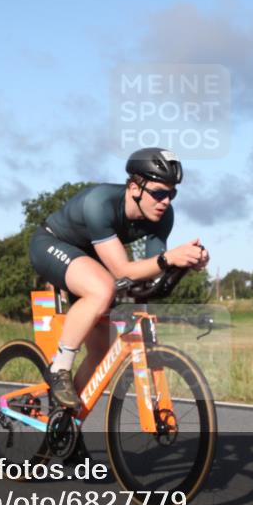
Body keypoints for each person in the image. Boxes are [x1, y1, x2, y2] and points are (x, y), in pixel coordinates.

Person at [28, 147, 210, 410]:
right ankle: (59, 368)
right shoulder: (100, 203)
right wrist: (169, 259)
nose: (166, 201)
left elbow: (150, 273)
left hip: (91, 256)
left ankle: (65, 425)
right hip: (51, 244)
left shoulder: (162, 216)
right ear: (135, 188)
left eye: (172, 194)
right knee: (102, 289)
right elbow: (123, 270)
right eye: (159, 193)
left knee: (102, 352)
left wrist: (187, 263)